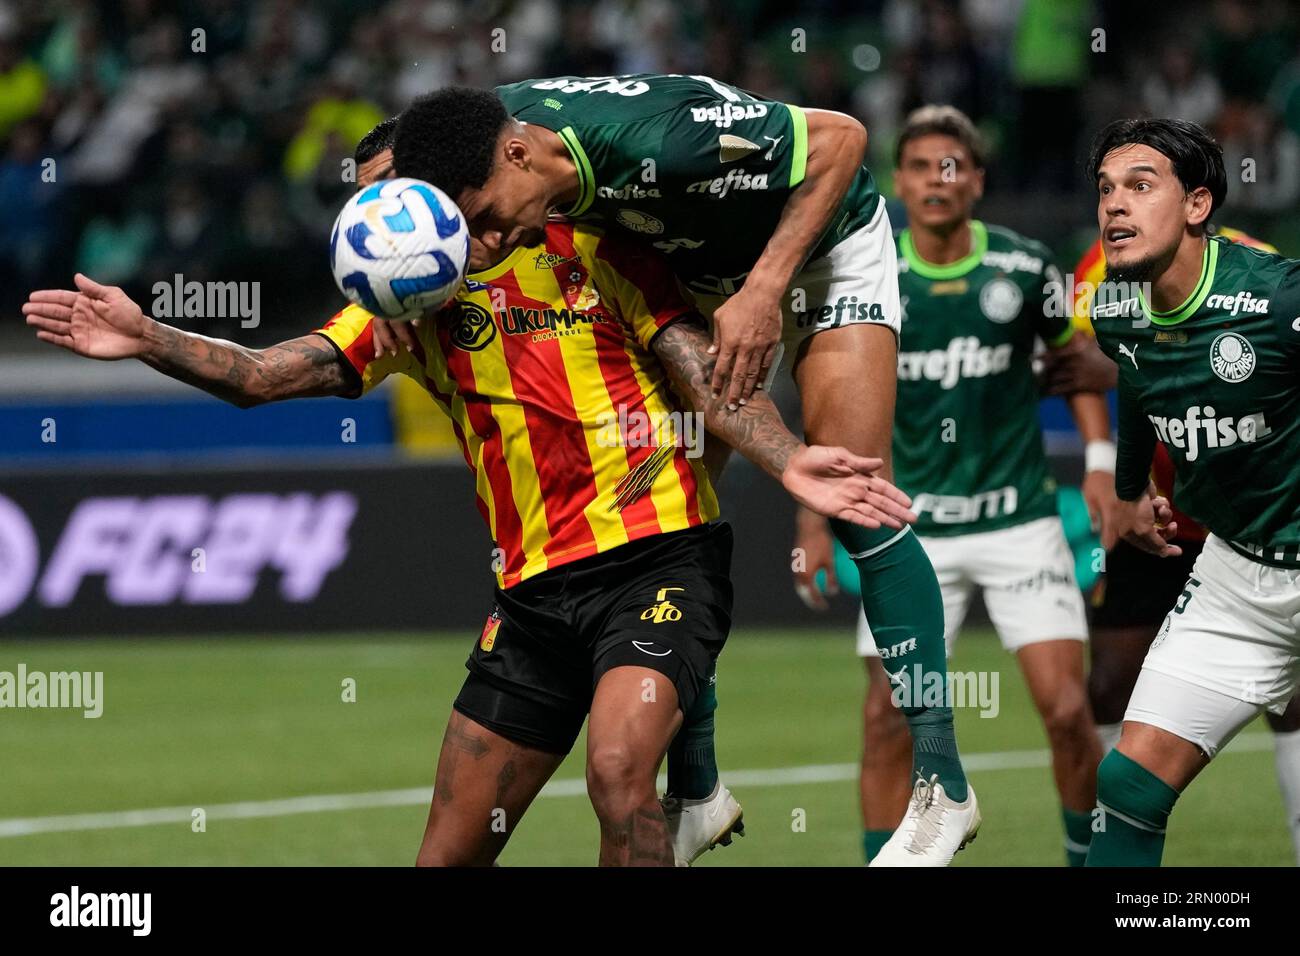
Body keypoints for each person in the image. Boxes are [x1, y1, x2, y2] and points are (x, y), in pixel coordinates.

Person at [23, 156, 915, 868]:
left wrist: (792, 462)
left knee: (616, 772)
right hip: (531, 603)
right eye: (368, 194)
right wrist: (149, 339)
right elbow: (261, 377)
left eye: (394, 189)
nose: (381, 205)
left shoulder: (590, 249)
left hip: (660, 561)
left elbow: (702, 379)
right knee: (447, 855)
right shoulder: (406, 308)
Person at [389, 73, 976, 865]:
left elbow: (841, 139)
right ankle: (696, 786)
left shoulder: (660, 137)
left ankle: (944, 785)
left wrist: (766, 288)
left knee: (855, 497)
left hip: (817, 247)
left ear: (519, 154)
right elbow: (391, 164)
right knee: (669, 507)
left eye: (486, 219)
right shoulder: (478, 130)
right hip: (704, 271)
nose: (487, 246)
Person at [796, 106, 1112, 865]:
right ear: (899, 182)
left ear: (975, 180)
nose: (937, 181)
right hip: (908, 528)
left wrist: (1100, 461)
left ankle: (1090, 864)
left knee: (1069, 711)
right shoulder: (869, 273)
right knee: (886, 718)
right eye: (920, 167)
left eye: (953, 166)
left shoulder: (1025, 266)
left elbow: (1077, 365)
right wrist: (813, 525)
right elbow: (829, 401)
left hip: (1020, 520)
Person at [1044, 224, 1300, 864]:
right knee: (1126, 768)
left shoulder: (1270, 282)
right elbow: (1124, 366)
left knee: (1293, 710)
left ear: (1196, 202)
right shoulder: (1105, 289)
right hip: (1218, 551)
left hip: (1273, 526)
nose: (1115, 205)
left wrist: (1146, 354)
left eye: (1140, 183)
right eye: (1105, 187)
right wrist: (1120, 478)